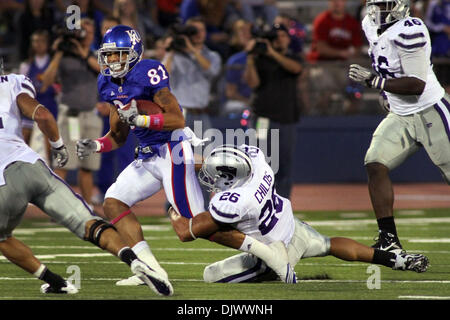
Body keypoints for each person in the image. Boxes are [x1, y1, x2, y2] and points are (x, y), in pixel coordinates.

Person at [0, 72, 173, 296]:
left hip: (3, 181)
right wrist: (59, 146)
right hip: (32, 165)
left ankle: (56, 281)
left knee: (2, 238)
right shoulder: (13, 82)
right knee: (90, 223)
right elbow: (42, 115)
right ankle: (134, 261)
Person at [168, 144, 430, 283]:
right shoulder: (256, 162)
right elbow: (227, 161)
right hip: (291, 225)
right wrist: (183, 161)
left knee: (210, 274)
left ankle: (276, 265)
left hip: (275, 249)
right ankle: (395, 260)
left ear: (228, 179)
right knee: (329, 244)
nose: (210, 180)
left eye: (216, 177)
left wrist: (174, 209)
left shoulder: (232, 202)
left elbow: (186, 233)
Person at [348, 0, 450, 252]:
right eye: (375, 5)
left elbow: (416, 85)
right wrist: (387, 94)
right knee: (375, 164)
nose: (376, 10)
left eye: (383, 5)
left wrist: (375, 83)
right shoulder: (369, 25)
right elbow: (388, 65)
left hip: (430, 111)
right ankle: (388, 239)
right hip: (400, 114)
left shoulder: (411, 29)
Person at [41, 18, 102, 210]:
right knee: (64, 162)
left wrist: (83, 54)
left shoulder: (96, 55)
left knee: (87, 165)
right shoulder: (65, 56)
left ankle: (88, 207)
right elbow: (46, 82)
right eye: (83, 30)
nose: (86, 34)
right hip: (72, 117)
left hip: (90, 117)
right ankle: (57, 207)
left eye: (90, 31)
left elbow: (103, 71)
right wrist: (59, 52)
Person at [163, 16, 222, 206]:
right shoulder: (175, 55)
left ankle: (202, 204)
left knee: (206, 162)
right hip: (180, 114)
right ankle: (172, 205)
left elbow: (212, 71)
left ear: (204, 33)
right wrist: (170, 51)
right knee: (177, 160)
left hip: (201, 113)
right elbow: (163, 74)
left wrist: (191, 51)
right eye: (192, 30)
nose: (196, 35)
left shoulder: (211, 55)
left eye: (199, 31)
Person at [243, 23, 302, 200]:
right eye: (275, 37)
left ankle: (282, 204)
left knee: (284, 165)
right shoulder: (260, 59)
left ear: (288, 38)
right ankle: (259, 203)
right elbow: (252, 83)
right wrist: (250, 57)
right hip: (262, 118)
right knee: (260, 162)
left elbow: (296, 69)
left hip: (287, 120)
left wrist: (272, 53)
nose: (279, 39)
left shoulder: (293, 57)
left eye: (282, 36)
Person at [307, 0, 364, 115]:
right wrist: (341, 53)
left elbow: (357, 47)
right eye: (334, 1)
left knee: (355, 93)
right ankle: (320, 120)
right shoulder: (322, 20)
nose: (337, 3)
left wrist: (349, 53)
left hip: (344, 66)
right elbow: (320, 48)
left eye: (340, 1)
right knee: (325, 91)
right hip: (322, 64)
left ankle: (349, 123)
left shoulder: (351, 22)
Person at [19, 29, 59, 162]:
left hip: (49, 106)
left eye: (42, 41)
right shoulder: (26, 65)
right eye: (35, 41)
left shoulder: (54, 64)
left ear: (47, 44)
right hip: (31, 108)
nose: (39, 44)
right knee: (24, 142)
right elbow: (21, 90)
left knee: (50, 144)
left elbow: (59, 86)